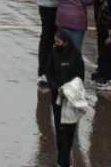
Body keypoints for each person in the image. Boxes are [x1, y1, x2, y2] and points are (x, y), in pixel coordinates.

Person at [47, 29, 85, 167]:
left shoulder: (76, 55)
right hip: (58, 97)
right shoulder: (54, 53)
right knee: (60, 130)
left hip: (72, 99)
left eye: (58, 41)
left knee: (70, 130)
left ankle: (63, 159)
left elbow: (81, 74)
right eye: (55, 41)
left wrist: (72, 88)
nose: (56, 44)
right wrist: (55, 87)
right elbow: (49, 71)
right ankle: (64, 162)